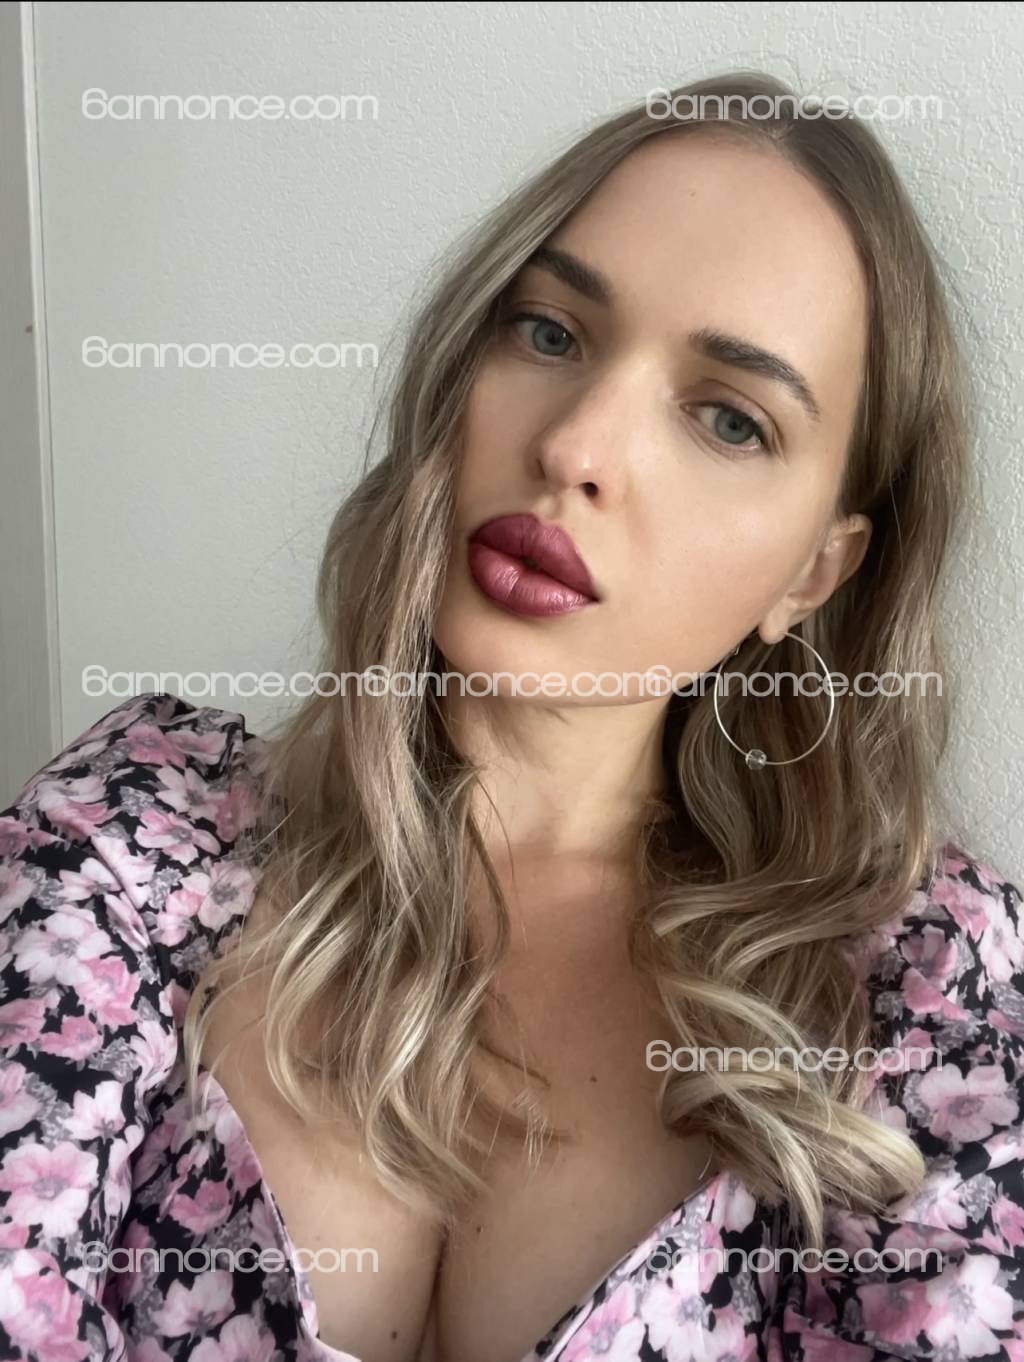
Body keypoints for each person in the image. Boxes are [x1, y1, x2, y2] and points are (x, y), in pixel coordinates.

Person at [0, 69, 1021, 1362]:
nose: (577, 447)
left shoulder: (923, 989)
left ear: (814, 573)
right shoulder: (129, 838)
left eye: (728, 418)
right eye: (549, 332)